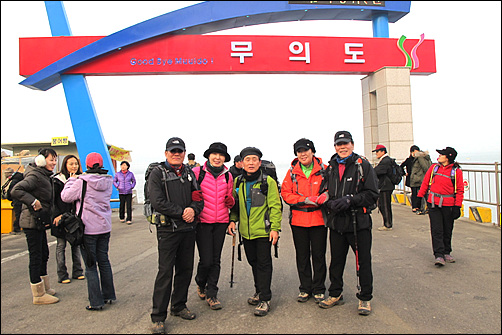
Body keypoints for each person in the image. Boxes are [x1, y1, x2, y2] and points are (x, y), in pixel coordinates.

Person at [319, 131, 379, 315]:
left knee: (363, 262)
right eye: (339, 144)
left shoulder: (363, 165)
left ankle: (365, 298)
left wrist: (350, 200)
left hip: (358, 222)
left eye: (345, 143)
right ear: (335, 147)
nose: (342, 147)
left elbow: (372, 194)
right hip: (337, 223)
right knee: (336, 261)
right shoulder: (330, 167)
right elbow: (324, 191)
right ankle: (335, 294)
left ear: (352, 144)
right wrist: (329, 202)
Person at [149, 137, 204, 334]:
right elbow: (157, 201)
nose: (176, 154)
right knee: (165, 272)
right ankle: (158, 317)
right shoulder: (157, 173)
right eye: (172, 151)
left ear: (184, 152)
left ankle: (179, 306)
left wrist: (193, 209)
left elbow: (199, 197)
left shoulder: (189, 173)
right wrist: (182, 212)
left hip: (188, 229)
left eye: (179, 151)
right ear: (166, 153)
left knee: (185, 269)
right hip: (168, 230)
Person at [227, 147, 282, 317]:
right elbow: (235, 205)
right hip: (246, 232)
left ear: (259, 162)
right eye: (247, 159)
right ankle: (259, 290)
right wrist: (232, 220)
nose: (251, 163)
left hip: (264, 231)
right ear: (241, 163)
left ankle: (265, 298)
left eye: (254, 159)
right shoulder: (238, 181)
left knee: (264, 264)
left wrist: (275, 228)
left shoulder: (268, 181)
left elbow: (275, 206)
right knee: (253, 261)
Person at [61, 152, 116, 310]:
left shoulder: (81, 181)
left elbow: (66, 196)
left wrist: (71, 179)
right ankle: (108, 295)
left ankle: (96, 302)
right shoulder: (108, 180)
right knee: (104, 261)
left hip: (88, 229)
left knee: (91, 266)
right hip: (105, 227)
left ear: (87, 165)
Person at [281, 138, 328, 304]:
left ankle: (319, 289)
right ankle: (305, 288)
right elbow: (286, 193)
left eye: (305, 151)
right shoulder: (292, 172)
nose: (302, 154)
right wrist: (306, 199)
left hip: (319, 220)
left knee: (319, 255)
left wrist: (324, 197)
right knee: (302, 256)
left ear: (312, 152)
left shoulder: (324, 170)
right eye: (299, 151)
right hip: (298, 220)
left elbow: (331, 189)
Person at [11, 148, 59, 305]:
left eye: (55, 159)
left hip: (39, 221)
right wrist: (33, 201)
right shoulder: (34, 175)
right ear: (41, 160)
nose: (54, 162)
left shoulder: (43, 175)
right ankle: (38, 294)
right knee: (36, 256)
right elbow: (16, 190)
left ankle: (44, 287)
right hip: (31, 221)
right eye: (51, 159)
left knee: (44, 253)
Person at [192, 142, 235, 310]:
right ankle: (200, 282)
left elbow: (230, 196)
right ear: (208, 156)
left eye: (221, 155)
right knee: (206, 259)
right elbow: (187, 193)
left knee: (215, 259)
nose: (217, 158)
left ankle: (212, 294)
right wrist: (192, 197)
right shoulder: (197, 173)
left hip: (221, 221)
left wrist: (231, 202)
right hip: (202, 221)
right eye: (214, 154)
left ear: (224, 158)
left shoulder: (228, 176)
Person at [418, 147, 464, 267]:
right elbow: (425, 182)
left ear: (448, 157)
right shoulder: (434, 168)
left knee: (447, 229)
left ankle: (446, 251)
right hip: (433, 204)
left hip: (448, 205)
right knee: (437, 229)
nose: (439, 156)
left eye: (441, 154)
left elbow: (459, 190)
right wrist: (419, 197)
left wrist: (457, 206)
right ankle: (439, 254)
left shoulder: (456, 172)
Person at [51, 155, 85, 284]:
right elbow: (53, 201)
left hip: (74, 219)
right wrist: (57, 215)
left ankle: (78, 271)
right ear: (65, 165)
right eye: (71, 164)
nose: (74, 166)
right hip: (60, 218)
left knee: (76, 244)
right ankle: (62, 274)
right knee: (61, 245)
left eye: (76, 164)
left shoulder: (80, 179)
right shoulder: (57, 180)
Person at [372, 144, 395, 231]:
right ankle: (387, 223)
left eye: (377, 152)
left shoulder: (386, 160)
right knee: (382, 204)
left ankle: (388, 224)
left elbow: (377, 171)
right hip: (385, 186)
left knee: (385, 205)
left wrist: (371, 171)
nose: (376, 154)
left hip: (386, 186)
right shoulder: (385, 160)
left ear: (383, 151)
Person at [409, 146, 432, 215]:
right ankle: (427, 208)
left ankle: (421, 209)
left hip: (419, 178)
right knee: (424, 194)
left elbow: (425, 167)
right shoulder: (425, 157)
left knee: (421, 194)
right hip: (422, 178)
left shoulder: (420, 157)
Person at [4, 167, 24, 234]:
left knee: (18, 214)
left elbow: (11, 192)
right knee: (21, 214)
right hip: (22, 198)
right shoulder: (20, 178)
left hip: (17, 199)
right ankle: (22, 227)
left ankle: (16, 229)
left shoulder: (14, 181)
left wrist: (9, 198)